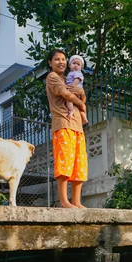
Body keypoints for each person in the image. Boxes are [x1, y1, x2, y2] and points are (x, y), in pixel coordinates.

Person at [45, 49, 88, 208]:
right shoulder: (53, 77)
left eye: (63, 59)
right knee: (64, 163)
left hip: (77, 126)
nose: (61, 62)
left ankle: (76, 201)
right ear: (50, 62)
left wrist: (81, 94)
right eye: (57, 59)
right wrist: (82, 102)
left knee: (79, 164)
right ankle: (64, 201)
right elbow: (67, 95)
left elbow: (81, 95)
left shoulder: (70, 78)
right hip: (63, 123)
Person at [65, 55, 89, 125]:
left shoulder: (78, 73)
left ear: (81, 67)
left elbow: (78, 79)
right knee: (79, 107)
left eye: (78, 64)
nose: (76, 65)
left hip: (74, 90)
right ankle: (84, 118)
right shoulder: (70, 73)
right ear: (69, 65)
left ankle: (71, 110)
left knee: (68, 99)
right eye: (74, 63)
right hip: (75, 91)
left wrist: (73, 85)